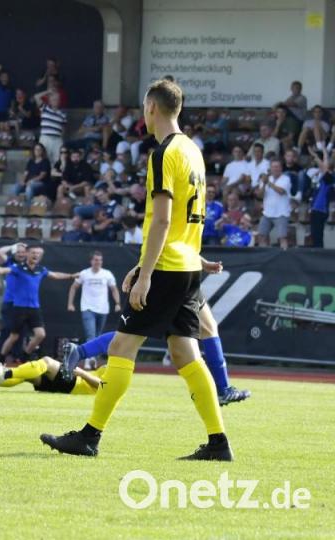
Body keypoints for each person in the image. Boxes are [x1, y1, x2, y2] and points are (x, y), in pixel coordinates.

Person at [41, 79, 233, 461]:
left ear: (151, 109)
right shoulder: (194, 151)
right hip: (185, 265)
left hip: (167, 267)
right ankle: (218, 443)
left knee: (121, 346)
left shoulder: (163, 154)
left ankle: (90, 436)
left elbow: (162, 221)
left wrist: (146, 275)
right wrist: (152, 265)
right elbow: (184, 222)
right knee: (185, 354)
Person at [61, 258, 251, 406]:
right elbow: (163, 237)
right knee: (133, 336)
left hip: (183, 276)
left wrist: (203, 263)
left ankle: (222, 390)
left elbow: (183, 243)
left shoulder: (191, 210)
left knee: (205, 328)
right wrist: (139, 272)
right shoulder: (174, 208)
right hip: (170, 278)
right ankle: (221, 391)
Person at [0, 245, 77, 362]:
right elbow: (3, 270)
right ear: (27, 254)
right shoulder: (18, 268)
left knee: (41, 335)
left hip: (34, 309)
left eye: (38, 254)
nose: (36, 255)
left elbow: (54, 275)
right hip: (19, 308)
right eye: (33, 253)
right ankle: (1, 358)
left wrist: (71, 276)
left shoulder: (41, 270)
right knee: (14, 337)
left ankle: (25, 354)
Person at [66, 251, 120, 369]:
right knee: (91, 334)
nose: (98, 262)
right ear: (91, 261)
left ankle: (93, 358)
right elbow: (73, 287)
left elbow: (114, 289)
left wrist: (117, 303)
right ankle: (88, 360)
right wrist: (70, 303)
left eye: (100, 260)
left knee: (98, 335)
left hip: (103, 309)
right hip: (87, 307)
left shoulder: (107, 274)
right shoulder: (84, 274)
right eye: (95, 260)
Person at [0, 356, 101, 395]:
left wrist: (83, 373)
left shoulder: (118, 369)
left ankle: (5, 373)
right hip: (72, 385)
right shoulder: (114, 364)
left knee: (47, 362)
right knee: (28, 374)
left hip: (76, 384)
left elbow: (104, 386)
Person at [255, 159, 292, 249]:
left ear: (281, 168)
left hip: (281, 213)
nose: (275, 169)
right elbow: (260, 195)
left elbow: (281, 191)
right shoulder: (267, 179)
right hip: (267, 213)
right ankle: (264, 256)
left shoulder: (286, 179)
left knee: (282, 238)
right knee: (261, 236)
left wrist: (268, 182)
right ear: (270, 169)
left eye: (277, 167)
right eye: (273, 167)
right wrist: (264, 184)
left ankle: (285, 257)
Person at [310, 148, 333, 247]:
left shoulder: (330, 179)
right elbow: (325, 166)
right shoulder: (323, 179)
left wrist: (315, 156)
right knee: (315, 234)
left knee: (318, 235)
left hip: (321, 210)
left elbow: (324, 167)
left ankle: (319, 254)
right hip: (315, 209)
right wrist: (325, 152)